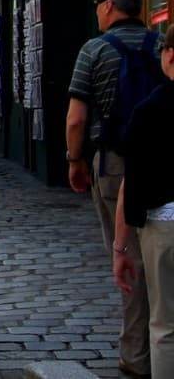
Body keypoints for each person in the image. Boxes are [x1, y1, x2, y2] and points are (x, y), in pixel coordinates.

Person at [66, 0, 161, 378]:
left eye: (97, 4)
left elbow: (76, 119)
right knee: (163, 256)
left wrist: (75, 160)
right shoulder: (160, 45)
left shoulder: (94, 50)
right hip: (165, 163)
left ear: (108, 6)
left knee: (128, 257)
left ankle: (137, 354)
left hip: (116, 163)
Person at [113, 24, 174, 378]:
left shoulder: (150, 110)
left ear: (170, 55)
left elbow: (130, 184)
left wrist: (120, 248)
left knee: (165, 323)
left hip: (164, 223)